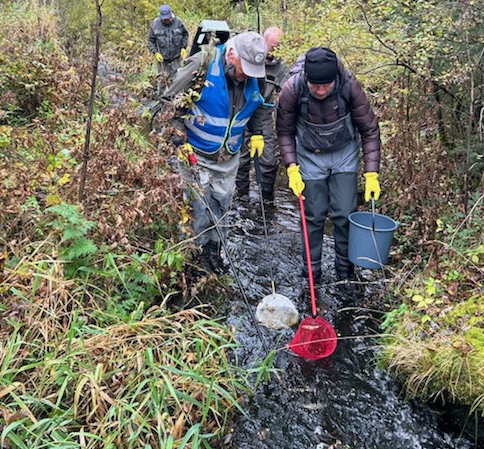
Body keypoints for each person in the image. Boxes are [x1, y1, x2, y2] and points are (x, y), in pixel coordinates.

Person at [159, 31, 268, 272]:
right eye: (244, 68)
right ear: (231, 54)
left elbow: (258, 103)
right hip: (195, 153)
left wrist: (257, 131)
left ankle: (214, 253)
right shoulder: (202, 65)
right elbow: (169, 105)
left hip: (229, 157)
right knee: (198, 208)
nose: (247, 75)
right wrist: (179, 141)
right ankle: (194, 260)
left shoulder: (254, 73)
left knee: (222, 206)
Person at [276, 46, 381, 287]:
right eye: (316, 86)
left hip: (344, 153)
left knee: (345, 212)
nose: (321, 91)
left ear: (335, 79)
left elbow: (370, 130)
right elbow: (284, 132)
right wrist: (292, 167)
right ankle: (311, 273)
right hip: (310, 156)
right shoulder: (292, 89)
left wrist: (372, 172)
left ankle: (345, 270)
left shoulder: (349, 87)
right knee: (313, 215)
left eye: (326, 85)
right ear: (307, 80)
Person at [236, 26, 288, 202]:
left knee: (269, 160)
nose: (273, 53)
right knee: (241, 159)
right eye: (271, 48)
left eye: (277, 48)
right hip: (243, 114)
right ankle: (241, 198)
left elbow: (287, 92)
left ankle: (267, 199)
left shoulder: (281, 67)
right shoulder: (249, 56)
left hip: (264, 115)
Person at [147, 4, 189, 88]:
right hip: (162, 58)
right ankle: (162, 99)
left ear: (171, 15)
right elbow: (150, 41)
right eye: (164, 19)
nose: (166, 20)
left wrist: (184, 47)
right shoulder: (155, 24)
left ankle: (176, 98)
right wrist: (156, 53)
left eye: (167, 18)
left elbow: (185, 34)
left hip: (176, 56)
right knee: (162, 79)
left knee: (177, 78)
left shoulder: (178, 22)